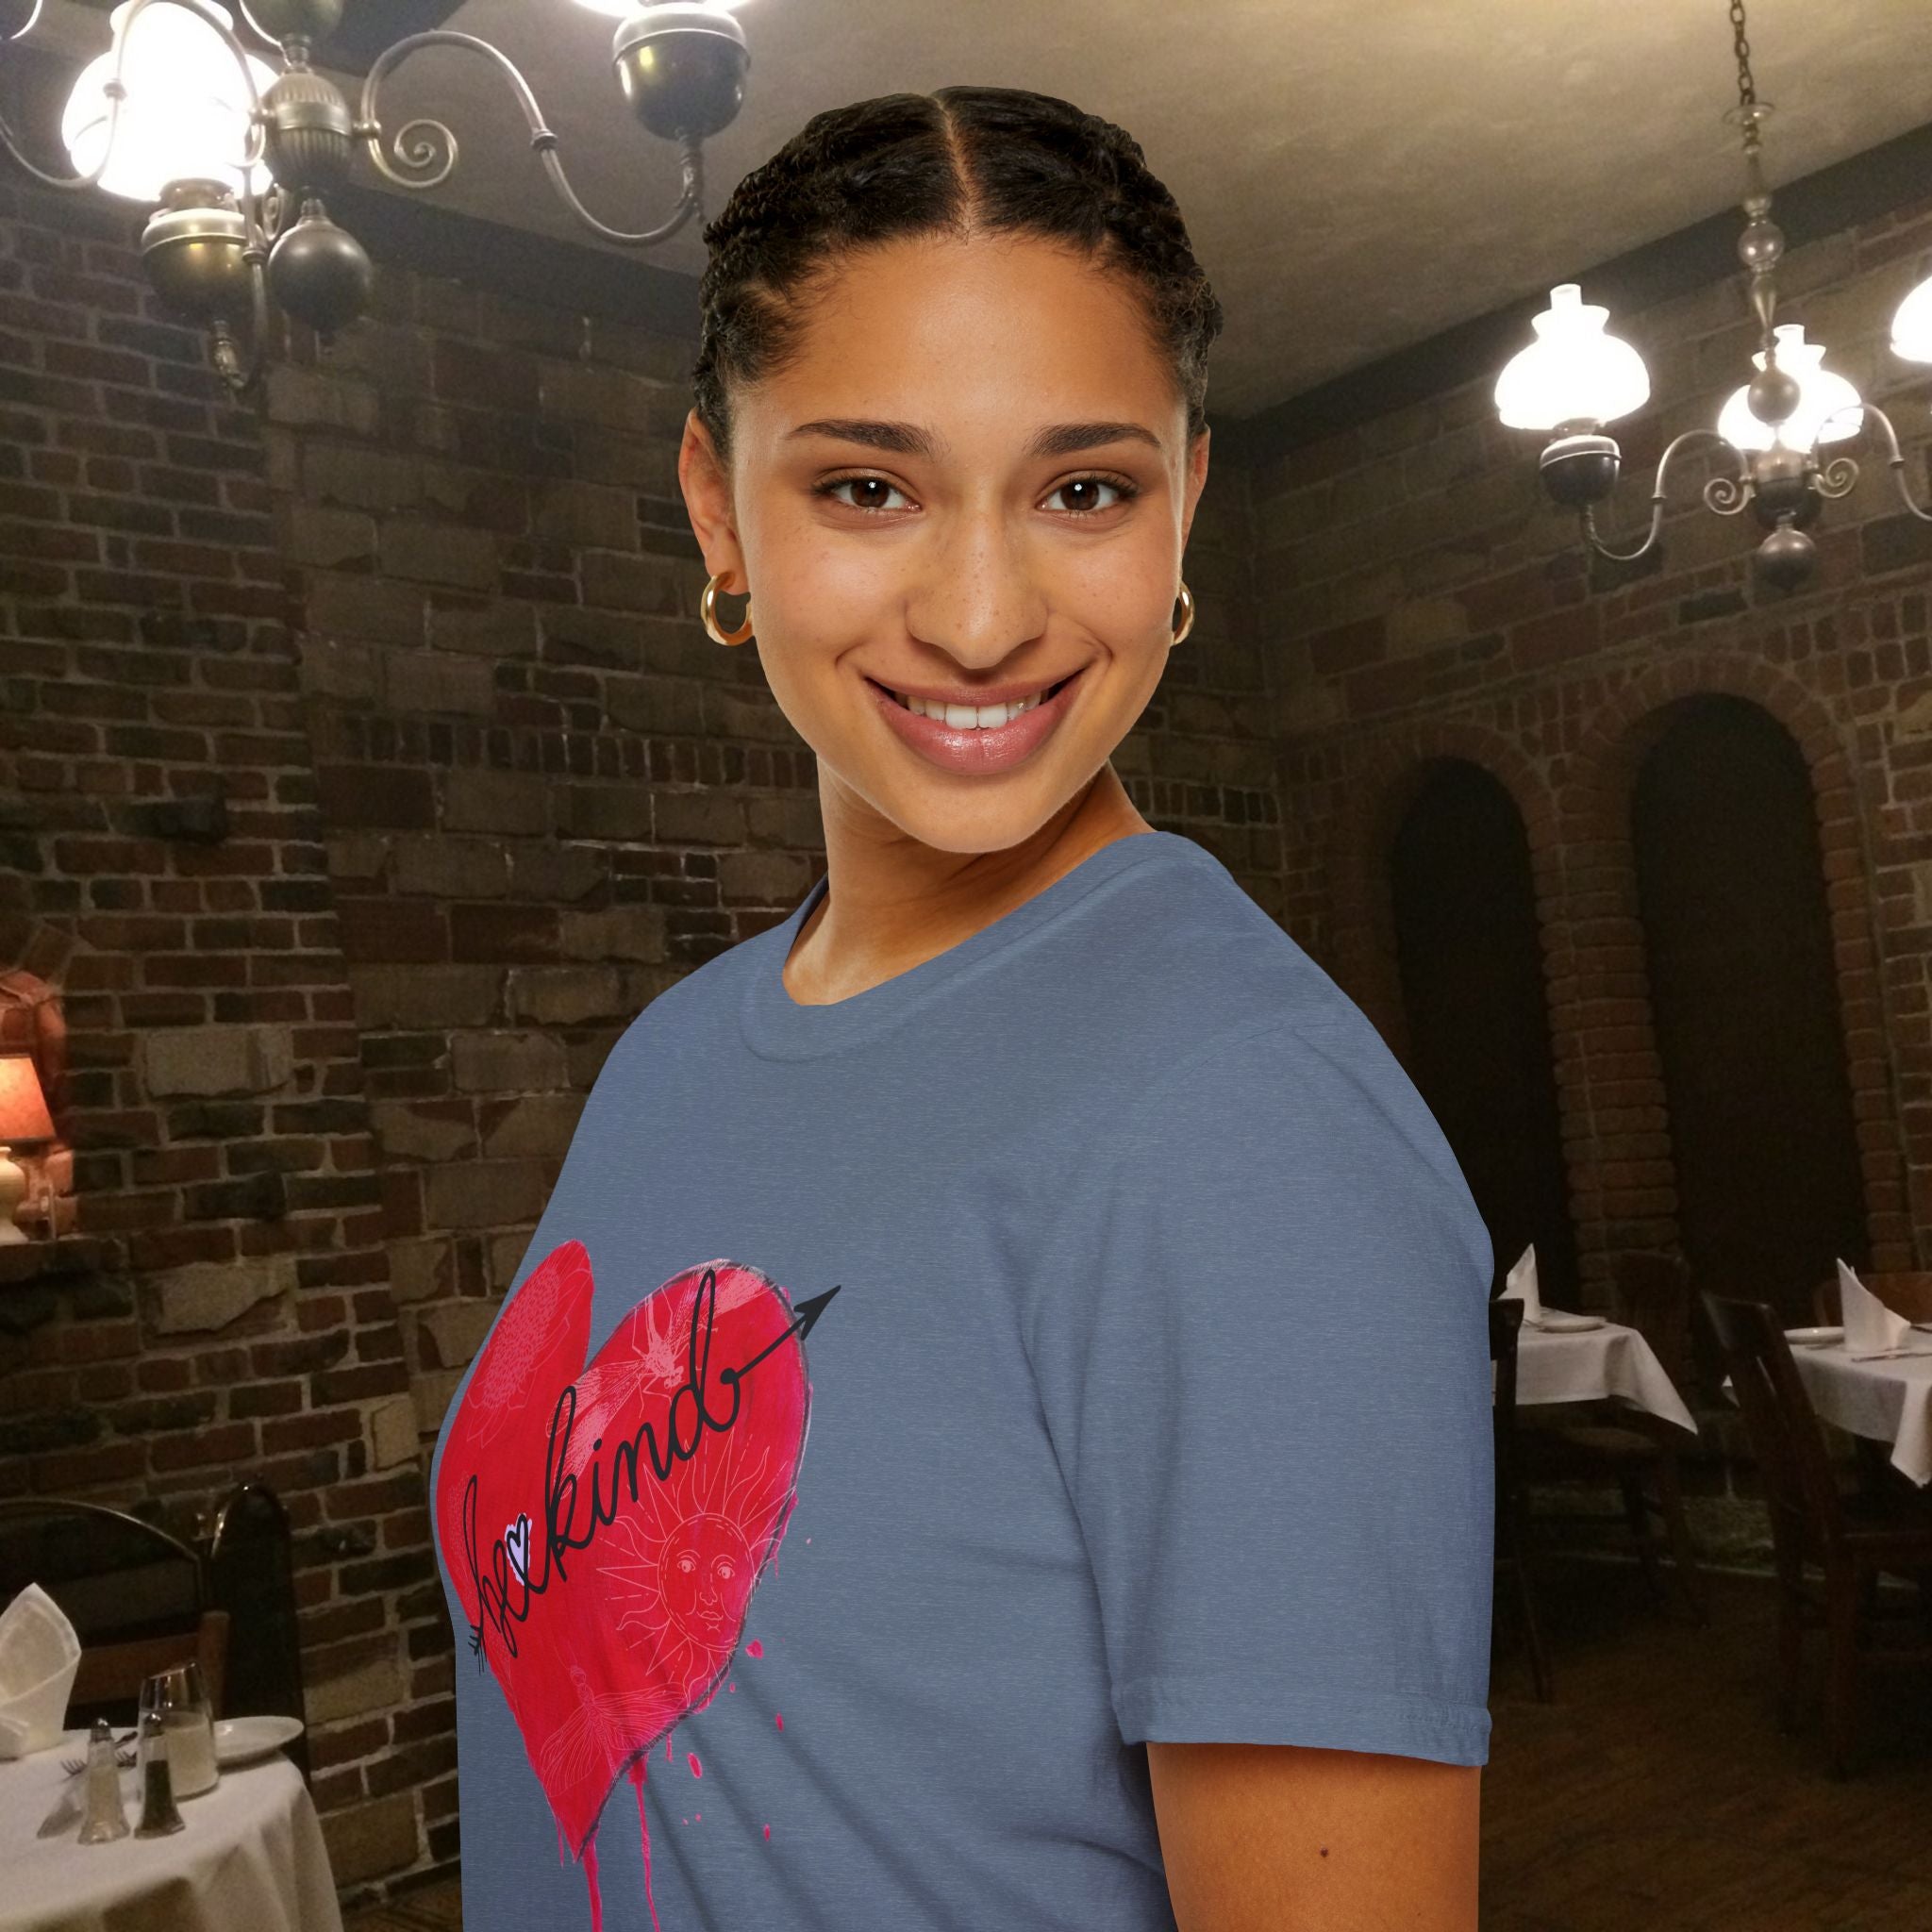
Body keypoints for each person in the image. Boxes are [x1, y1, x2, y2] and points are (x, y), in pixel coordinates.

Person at [432, 85, 1494, 1932]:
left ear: (1185, 508)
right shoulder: (674, 1056)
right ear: (717, 509)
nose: (985, 616)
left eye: (1085, 489)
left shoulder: (1246, 1125)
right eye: (868, 486)